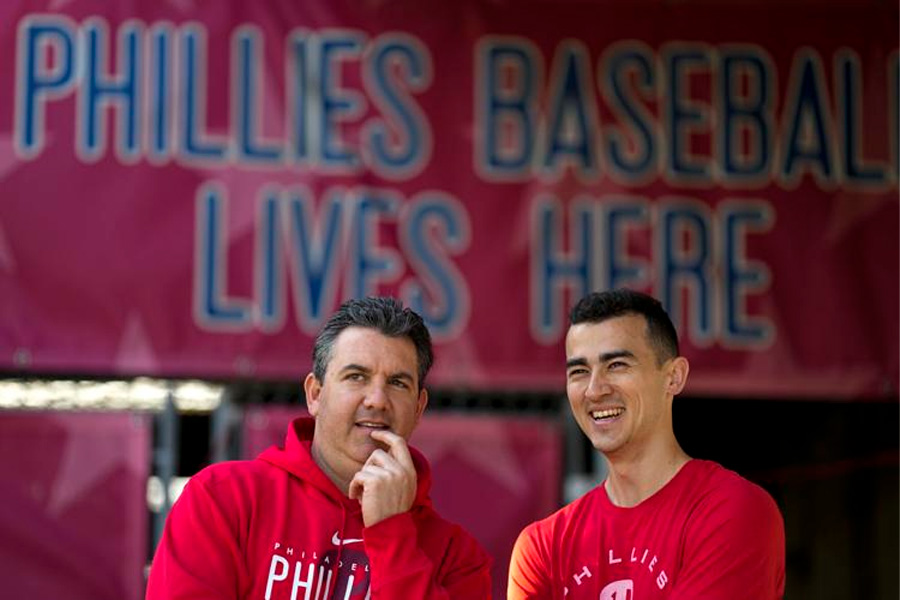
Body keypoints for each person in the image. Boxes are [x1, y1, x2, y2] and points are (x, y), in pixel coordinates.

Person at [146, 297, 492, 600]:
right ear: (315, 394)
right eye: (356, 376)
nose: (377, 400)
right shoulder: (223, 498)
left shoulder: (458, 559)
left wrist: (391, 533)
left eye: (397, 383)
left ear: (418, 408)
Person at [508, 289, 785, 600]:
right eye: (579, 372)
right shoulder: (542, 547)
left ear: (674, 377)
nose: (594, 390)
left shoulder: (733, 509)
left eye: (617, 365)